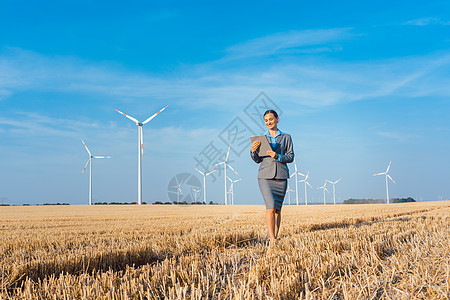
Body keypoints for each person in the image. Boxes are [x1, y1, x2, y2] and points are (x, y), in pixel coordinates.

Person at [250, 110, 294, 244]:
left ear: (277, 119)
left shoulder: (286, 137)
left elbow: (291, 156)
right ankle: (272, 239)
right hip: (265, 176)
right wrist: (252, 152)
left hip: (281, 175)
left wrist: (278, 156)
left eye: (271, 119)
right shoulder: (261, 139)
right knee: (270, 207)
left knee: (277, 210)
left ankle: (275, 235)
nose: (269, 122)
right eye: (266, 120)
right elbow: (257, 159)